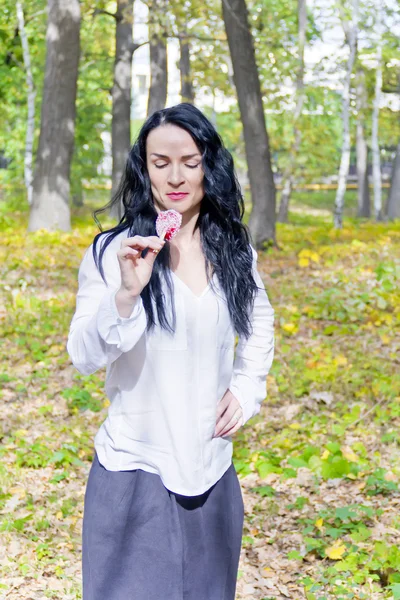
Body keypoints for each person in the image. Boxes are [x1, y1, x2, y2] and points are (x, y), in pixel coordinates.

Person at [66, 103, 275, 600]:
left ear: (209, 164)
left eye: (191, 160)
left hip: (210, 468)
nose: (176, 176)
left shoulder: (234, 250)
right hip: (135, 471)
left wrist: (247, 389)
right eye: (161, 163)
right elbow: (84, 355)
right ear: (145, 169)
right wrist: (126, 294)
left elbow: (260, 321)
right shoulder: (113, 252)